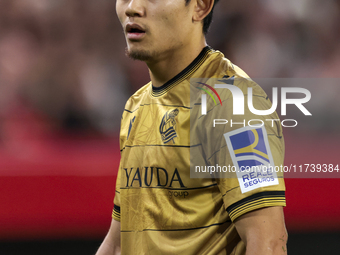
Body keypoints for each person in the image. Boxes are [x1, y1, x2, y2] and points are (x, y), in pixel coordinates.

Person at [96, 0, 287, 254]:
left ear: (200, 6)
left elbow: (269, 242)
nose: (132, 7)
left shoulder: (234, 106)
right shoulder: (135, 106)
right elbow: (119, 242)